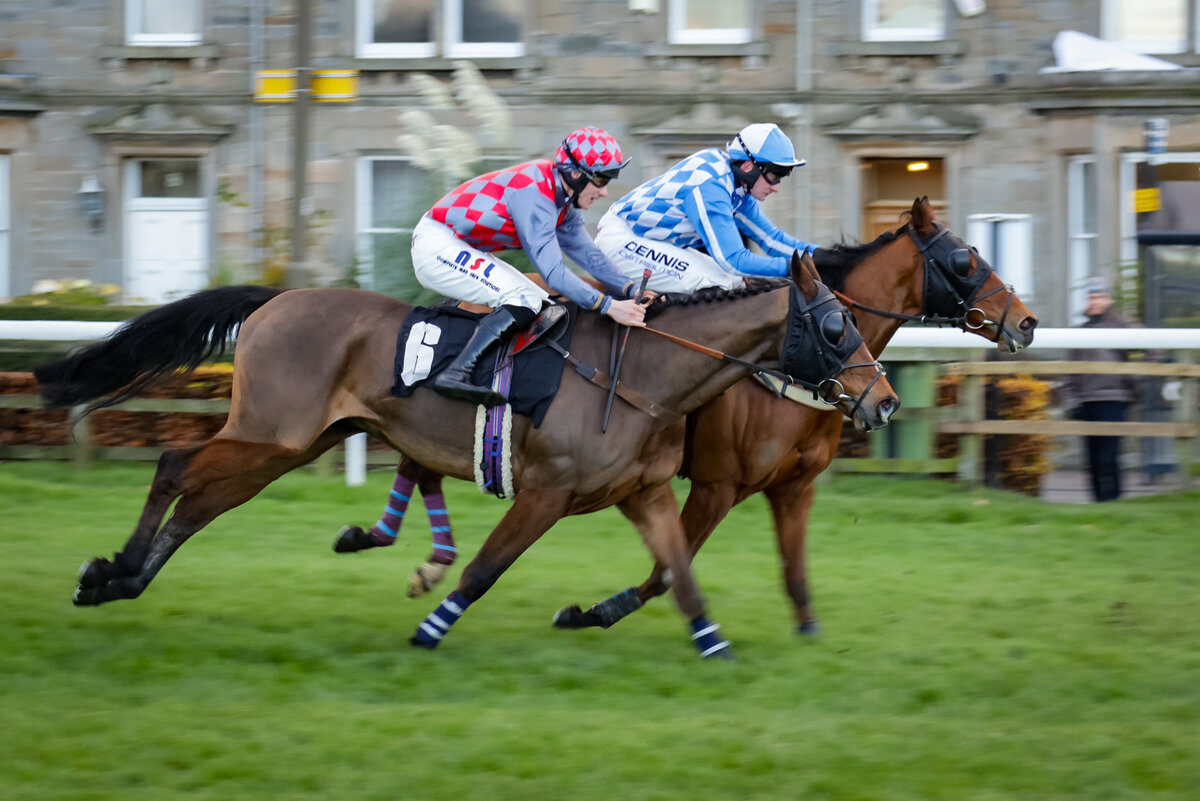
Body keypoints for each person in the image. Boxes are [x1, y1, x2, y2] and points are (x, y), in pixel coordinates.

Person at [412, 126, 649, 407]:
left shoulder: (563, 200)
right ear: (575, 173)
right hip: (437, 244)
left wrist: (629, 288)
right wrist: (609, 306)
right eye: (600, 179)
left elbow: (587, 253)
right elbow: (554, 273)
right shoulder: (536, 195)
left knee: (535, 300)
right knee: (524, 298)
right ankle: (456, 374)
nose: (605, 191)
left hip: (458, 244)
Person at [594, 122, 818, 293]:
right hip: (621, 239)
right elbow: (733, 261)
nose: (776, 187)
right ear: (749, 166)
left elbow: (770, 239)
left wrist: (824, 257)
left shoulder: (737, 186)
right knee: (718, 282)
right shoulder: (710, 186)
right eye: (774, 176)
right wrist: (795, 268)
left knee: (736, 283)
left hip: (648, 240)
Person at [1059, 278, 1138, 501]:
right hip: (1087, 402)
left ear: (1109, 300)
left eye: (1100, 297)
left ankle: (1113, 500)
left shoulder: (1122, 326)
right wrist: (1071, 402)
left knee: (1109, 457)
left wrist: (1136, 378)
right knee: (1092, 460)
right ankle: (1099, 505)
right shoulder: (1079, 332)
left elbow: (1154, 349)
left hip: (1114, 400)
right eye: (1091, 297)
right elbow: (1067, 373)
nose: (1095, 302)